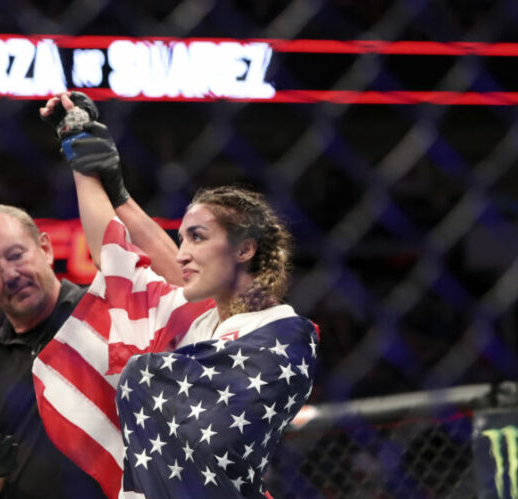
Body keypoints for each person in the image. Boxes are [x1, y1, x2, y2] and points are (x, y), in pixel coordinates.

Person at [36, 93, 319, 498]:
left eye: (198, 238)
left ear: (245, 248)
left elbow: (197, 419)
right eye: (181, 238)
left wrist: (144, 371)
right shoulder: (196, 321)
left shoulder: (284, 333)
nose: (182, 252)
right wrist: (86, 167)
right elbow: (115, 255)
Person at [0, 100, 184, 497]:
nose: (9, 273)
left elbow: (186, 288)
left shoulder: (105, 305)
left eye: (16, 254)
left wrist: (116, 191)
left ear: (44, 247)